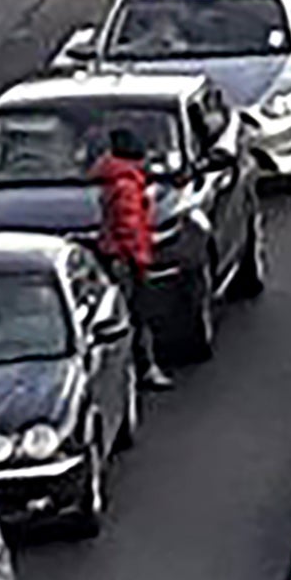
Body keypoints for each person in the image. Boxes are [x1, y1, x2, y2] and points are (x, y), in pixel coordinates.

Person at [89, 131, 176, 392]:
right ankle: (145, 369)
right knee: (137, 315)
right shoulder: (127, 185)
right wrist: (140, 260)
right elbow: (130, 227)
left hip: (115, 256)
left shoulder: (113, 180)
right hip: (127, 260)